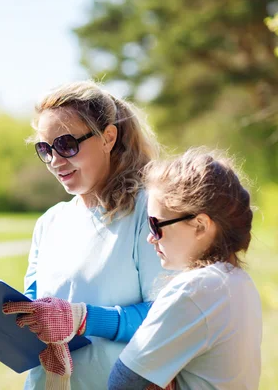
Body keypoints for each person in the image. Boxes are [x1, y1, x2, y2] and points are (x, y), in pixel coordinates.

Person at [0, 81, 169, 389]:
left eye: (67, 144)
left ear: (108, 137)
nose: (55, 160)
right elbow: (37, 315)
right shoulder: (50, 222)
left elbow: (166, 316)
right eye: (45, 149)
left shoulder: (148, 211)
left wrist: (81, 318)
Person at [108, 148, 262, 389]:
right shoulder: (239, 281)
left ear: (200, 225)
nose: (151, 238)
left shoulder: (195, 288)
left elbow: (122, 382)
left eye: (156, 225)